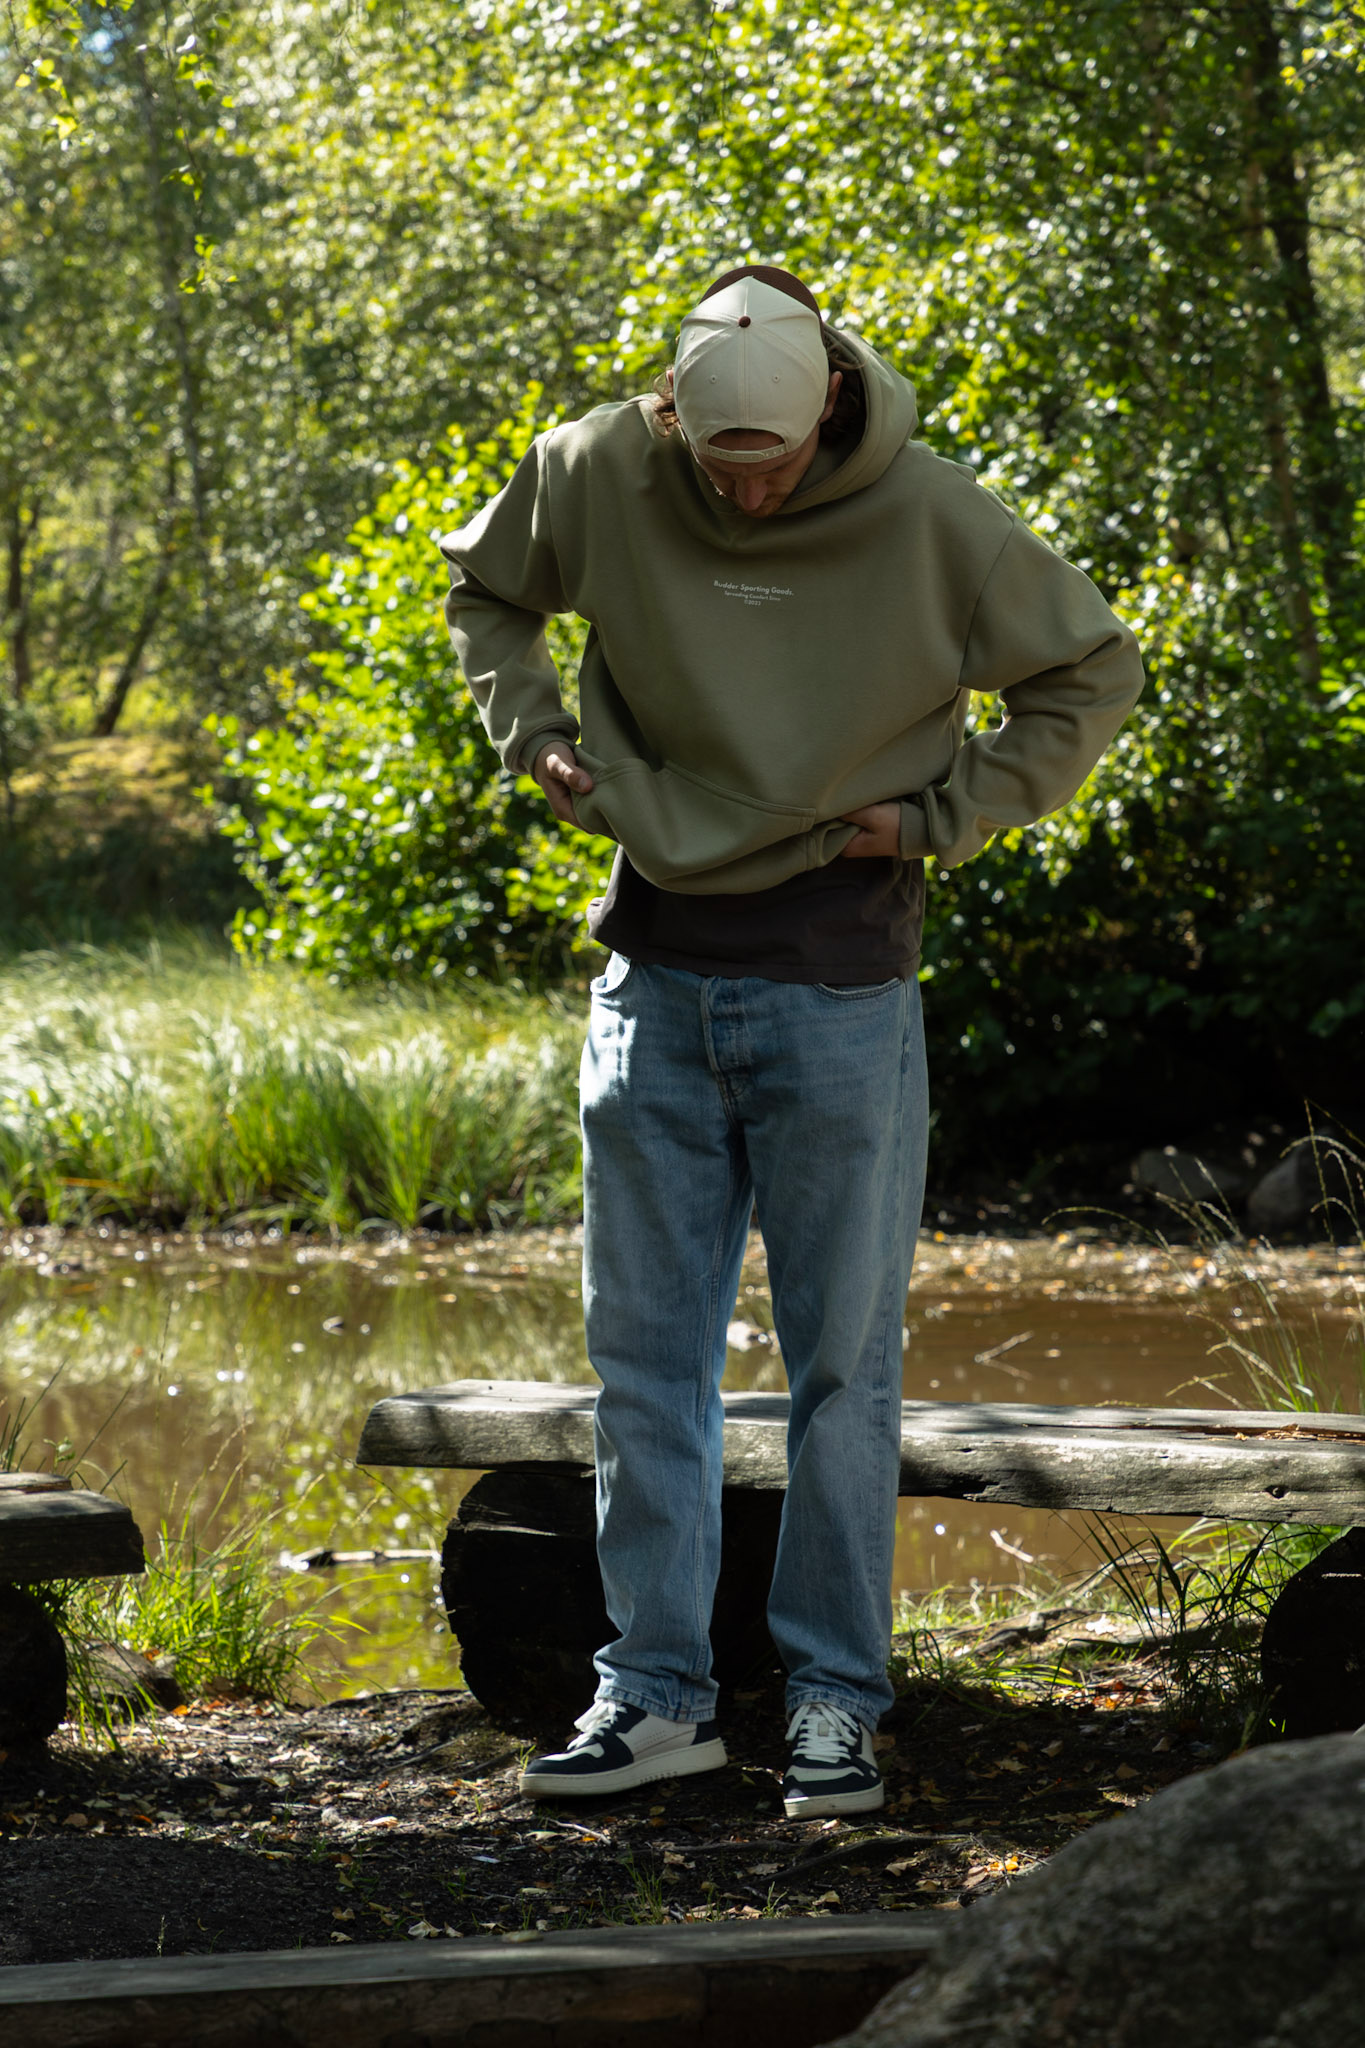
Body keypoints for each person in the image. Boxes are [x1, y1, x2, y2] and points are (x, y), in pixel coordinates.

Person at [439, 264, 1143, 1817]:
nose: (747, 494)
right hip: (652, 978)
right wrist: (534, 732)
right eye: (717, 465)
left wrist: (946, 817)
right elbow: (487, 592)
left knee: (842, 1372)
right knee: (645, 1366)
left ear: (830, 398)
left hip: (838, 985)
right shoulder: (594, 469)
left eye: (772, 463)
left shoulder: (937, 517)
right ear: (669, 415)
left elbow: (1092, 671)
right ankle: (655, 1696)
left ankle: (833, 1704)